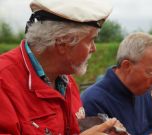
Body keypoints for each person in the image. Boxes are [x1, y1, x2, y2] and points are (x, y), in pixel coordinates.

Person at [0, 0, 124, 134]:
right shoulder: (4, 84)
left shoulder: (65, 80)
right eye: (90, 40)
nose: (93, 49)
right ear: (63, 42)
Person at [81, 32, 152, 135]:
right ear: (127, 66)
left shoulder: (141, 88)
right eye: (151, 72)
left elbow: (148, 114)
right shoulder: (93, 101)